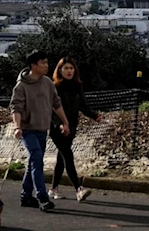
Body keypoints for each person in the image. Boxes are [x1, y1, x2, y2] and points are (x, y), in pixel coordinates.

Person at [10, 50, 71, 212]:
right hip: (26, 130)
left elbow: (56, 104)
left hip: (42, 129)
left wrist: (65, 123)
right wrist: (17, 127)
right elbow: (15, 108)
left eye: (46, 62)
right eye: (42, 63)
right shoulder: (21, 86)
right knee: (37, 157)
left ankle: (25, 196)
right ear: (33, 65)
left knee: (33, 162)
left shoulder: (48, 83)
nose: (46, 66)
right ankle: (42, 197)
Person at [48, 57, 101, 202]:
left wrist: (94, 116)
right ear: (59, 70)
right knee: (68, 155)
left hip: (71, 126)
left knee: (62, 157)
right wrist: (59, 124)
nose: (69, 71)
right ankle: (79, 189)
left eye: (71, 68)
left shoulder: (77, 86)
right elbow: (51, 109)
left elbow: (82, 105)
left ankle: (53, 189)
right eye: (66, 68)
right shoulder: (54, 87)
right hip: (56, 128)